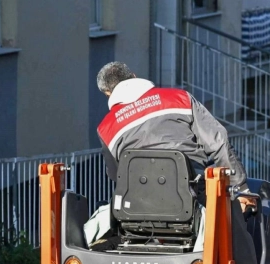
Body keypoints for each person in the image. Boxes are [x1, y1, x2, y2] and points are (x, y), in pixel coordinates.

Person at [95, 61, 248, 197]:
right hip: (194, 193)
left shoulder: (105, 128)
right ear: (134, 76)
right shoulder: (180, 98)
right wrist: (240, 188)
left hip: (139, 205)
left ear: (108, 94)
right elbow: (218, 141)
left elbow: (116, 175)